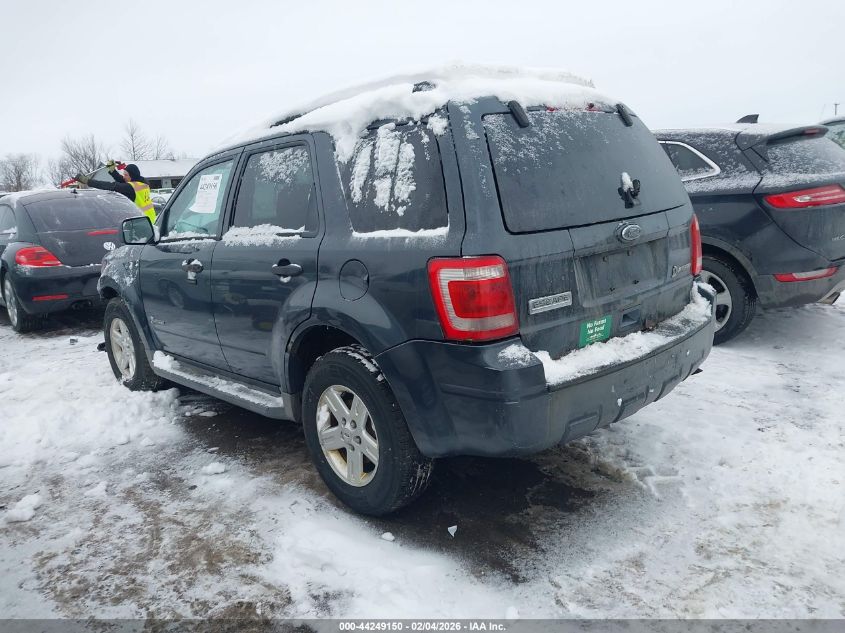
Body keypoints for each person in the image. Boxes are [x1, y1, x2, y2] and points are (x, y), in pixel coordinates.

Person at [75, 161, 156, 223]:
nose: (124, 177)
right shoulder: (143, 184)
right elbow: (123, 180)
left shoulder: (130, 187)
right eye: (124, 174)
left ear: (132, 176)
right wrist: (113, 171)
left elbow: (108, 185)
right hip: (150, 218)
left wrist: (87, 181)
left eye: (126, 175)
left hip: (142, 222)